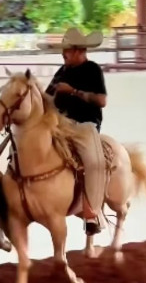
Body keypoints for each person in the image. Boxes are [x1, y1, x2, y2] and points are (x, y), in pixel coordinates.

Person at [38, 28, 108, 234]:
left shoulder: (92, 70)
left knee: (95, 163)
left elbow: (101, 100)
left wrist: (74, 92)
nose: (63, 54)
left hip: (84, 125)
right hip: (59, 124)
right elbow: (46, 98)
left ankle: (92, 214)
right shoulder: (62, 71)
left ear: (79, 50)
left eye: (66, 50)